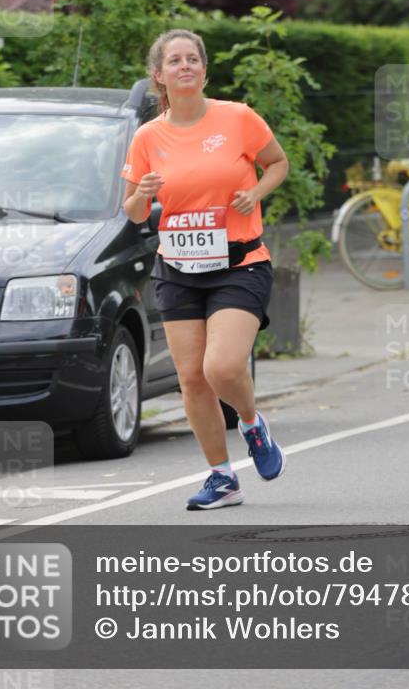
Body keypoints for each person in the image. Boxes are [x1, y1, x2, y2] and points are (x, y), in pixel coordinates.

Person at [122, 28, 289, 508]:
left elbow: (277, 163)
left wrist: (255, 193)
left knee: (221, 366)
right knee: (192, 378)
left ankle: (253, 424)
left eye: (192, 58)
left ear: (204, 69)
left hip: (240, 262)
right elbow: (133, 212)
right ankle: (222, 477)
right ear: (159, 75)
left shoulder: (237, 118)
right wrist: (143, 193)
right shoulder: (148, 137)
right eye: (174, 61)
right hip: (177, 266)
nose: (185, 66)